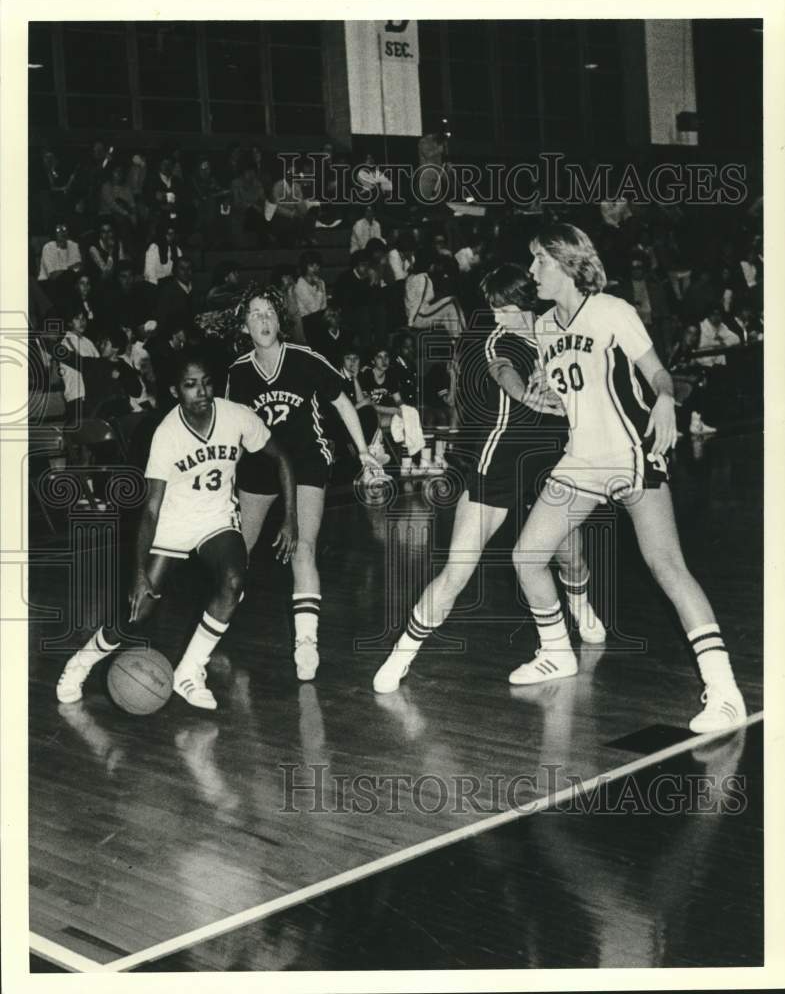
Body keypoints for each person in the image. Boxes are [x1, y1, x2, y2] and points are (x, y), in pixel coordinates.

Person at [510, 224, 745, 733]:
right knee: (528, 557)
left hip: (630, 451)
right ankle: (556, 652)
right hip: (581, 459)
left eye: (540, 262)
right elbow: (567, 393)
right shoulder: (544, 327)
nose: (532, 273)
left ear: (569, 263)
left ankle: (725, 690)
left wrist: (665, 399)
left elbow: (657, 373)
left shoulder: (612, 311)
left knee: (666, 565)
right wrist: (544, 399)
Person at [373, 264, 605, 693]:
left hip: (556, 455)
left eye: (504, 307)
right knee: (458, 569)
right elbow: (503, 371)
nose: (495, 317)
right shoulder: (500, 338)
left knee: (568, 552)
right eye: (492, 308)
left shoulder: (560, 329)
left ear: (526, 303)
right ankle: (402, 653)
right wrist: (528, 396)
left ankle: (581, 606)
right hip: (500, 458)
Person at [56, 348, 298, 711]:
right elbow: (151, 508)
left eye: (206, 383)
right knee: (138, 612)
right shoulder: (167, 435)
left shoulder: (237, 417)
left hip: (216, 520)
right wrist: (139, 573)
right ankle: (80, 663)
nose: (201, 392)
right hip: (172, 522)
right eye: (190, 385)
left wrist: (291, 518)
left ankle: (189, 671)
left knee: (234, 580)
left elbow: (281, 457)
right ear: (174, 391)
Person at [225, 284, 382, 681]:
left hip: (308, 459)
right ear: (245, 326)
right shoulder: (238, 372)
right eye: (254, 314)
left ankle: (306, 644)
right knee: (234, 549)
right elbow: (234, 433)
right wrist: (226, 476)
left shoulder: (304, 359)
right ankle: (220, 616)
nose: (262, 320)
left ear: (280, 321)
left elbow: (343, 403)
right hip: (262, 463)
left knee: (303, 546)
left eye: (269, 313)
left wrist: (363, 453)